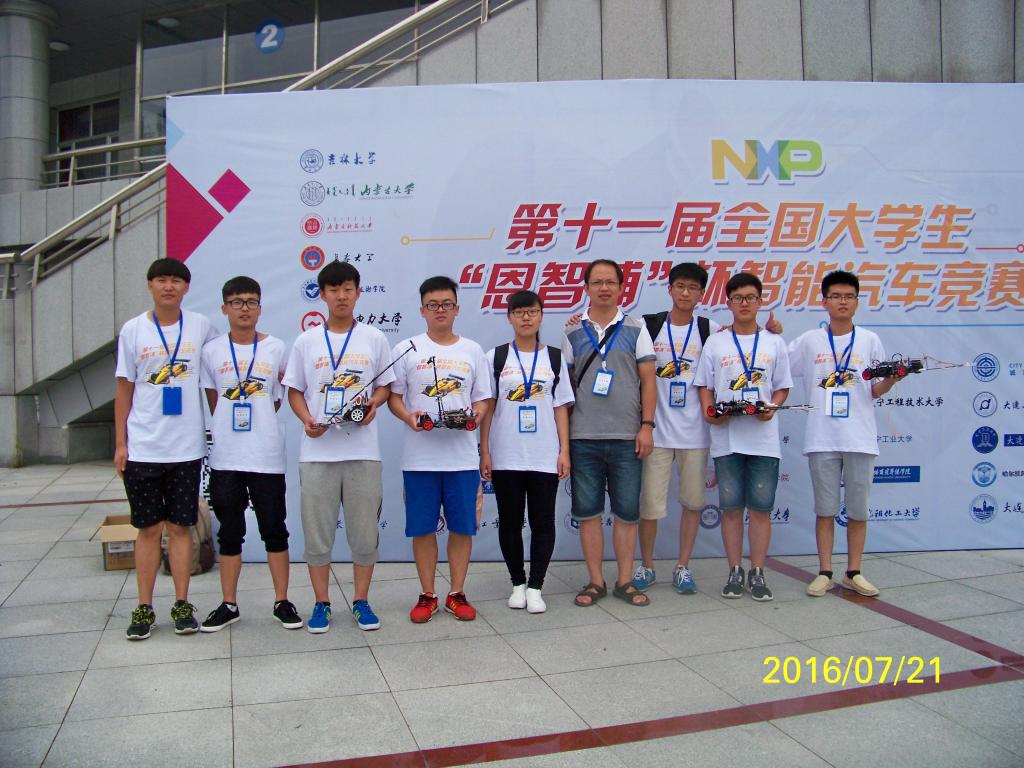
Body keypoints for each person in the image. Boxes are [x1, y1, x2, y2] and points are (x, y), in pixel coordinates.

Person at [633, 263, 783, 594]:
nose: (686, 293)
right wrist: (579, 318)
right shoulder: (648, 326)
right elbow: (613, 332)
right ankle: (646, 565)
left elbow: (745, 337)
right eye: (680, 286)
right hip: (657, 433)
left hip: (698, 434)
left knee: (692, 503)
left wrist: (772, 329)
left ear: (702, 294)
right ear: (670, 289)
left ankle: (682, 566)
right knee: (650, 506)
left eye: (693, 288)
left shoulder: (710, 330)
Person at [282, 261, 395, 633]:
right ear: (322, 294)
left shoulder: (374, 338)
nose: (341, 296)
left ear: (358, 293)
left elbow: (385, 386)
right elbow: (294, 390)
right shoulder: (307, 341)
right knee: (317, 535)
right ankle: (321, 603)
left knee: (364, 534)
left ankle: (361, 601)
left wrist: (373, 405)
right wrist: (307, 421)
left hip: (363, 453)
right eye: (334, 289)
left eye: (348, 288)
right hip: (317, 453)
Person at [115, 257, 217, 640]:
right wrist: (121, 443)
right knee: (147, 529)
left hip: (186, 449)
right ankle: (144, 607)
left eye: (176, 280)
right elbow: (124, 388)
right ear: (150, 285)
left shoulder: (201, 326)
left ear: (186, 287)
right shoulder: (133, 330)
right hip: (143, 447)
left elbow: (217, 373)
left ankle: (181, 604)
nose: (169, 286)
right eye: (162, 280)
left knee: (180, 527)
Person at [198, 276, 303, 632]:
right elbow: (214, 401)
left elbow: (276, 400)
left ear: (260, 307)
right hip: (226, 458)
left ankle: (282, 601)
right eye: (237, 302)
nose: (244, 308)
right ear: (224, 308)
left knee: (275, 530)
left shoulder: (276, 348)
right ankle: (229, 604)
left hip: (266, 456)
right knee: (230, 533)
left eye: (251, 302)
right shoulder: (211, 351)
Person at [788, 270, 900, 597]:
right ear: (824, 302)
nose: (842, 301)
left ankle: (854, 571)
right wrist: (770, 333)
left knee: (858, 510)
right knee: (825, 509)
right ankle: (824, 571)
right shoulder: (810, 341)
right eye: (835, 296)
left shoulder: (869, 340)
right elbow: (780, 367)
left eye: (849, 296)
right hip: (821, 437)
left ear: (857, 302)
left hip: (859, 438)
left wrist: (892, 380)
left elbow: (875, 389)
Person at [388, 276, 491, 623]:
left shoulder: (472, 350)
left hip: (462, 458)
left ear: (457, 308)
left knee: (463, 527)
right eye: (433, 305)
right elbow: (394, 397)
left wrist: (475, 416)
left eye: (447, 304)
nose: (440, 310)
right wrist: (409, 417)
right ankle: (428, 594)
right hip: (420, 459)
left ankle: (457, 593)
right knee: (422, 528)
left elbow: (483, 398)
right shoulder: (407, 349)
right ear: (422, 310)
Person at [563, 259, 657, 608]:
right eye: (597, 282)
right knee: (587, 512)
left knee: (627, 512)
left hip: (627, 436)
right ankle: (595, 581)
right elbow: (566, 388)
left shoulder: (636, 329)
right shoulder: (572, 331)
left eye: (610, 282)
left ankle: (624, 580)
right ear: (586, 287)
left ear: (621, 287)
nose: (604, 288)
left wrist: (647, 426)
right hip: (583, 436)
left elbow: (649, 381)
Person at [694, 272, 792, 602]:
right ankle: (735, 570)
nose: (744, 303)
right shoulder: (716, 342)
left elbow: (782, 386)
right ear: (729, 303)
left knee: (761, 509)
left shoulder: (774, 342)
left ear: (760, 301)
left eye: (750, 297)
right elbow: (704, 385)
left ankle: (758, 571)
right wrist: (710, 412)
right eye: (737, 298)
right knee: (732, 509)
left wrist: (772, 407)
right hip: (727, 439)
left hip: (764, 440)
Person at [480, 290, 573, 614]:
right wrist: (485, 451)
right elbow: (488, 408)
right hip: (506, 455)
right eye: (519, 312)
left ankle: (536, 586)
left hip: (544, 454)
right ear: (509, 317)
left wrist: (564, 450)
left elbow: (561, 408)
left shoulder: (555, 359)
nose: (525, 317)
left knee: (543, 522)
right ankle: (517, 583)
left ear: (541, 315)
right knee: (509, 522)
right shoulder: (495, 357)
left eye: (532, 311)